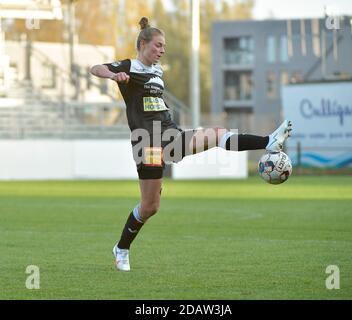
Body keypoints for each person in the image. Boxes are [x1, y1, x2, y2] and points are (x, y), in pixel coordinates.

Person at [90, 17, 292, 271]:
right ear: (143, 44)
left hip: (171, 135)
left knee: (217, 135)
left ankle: (269, 141)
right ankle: (121, 248)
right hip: (147, 144)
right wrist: (114, 74)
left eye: (164, 46)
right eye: (158, 45)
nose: (162, 50)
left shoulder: (157, 72)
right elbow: (95, 68)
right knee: (150, 207)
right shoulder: (130, 67)